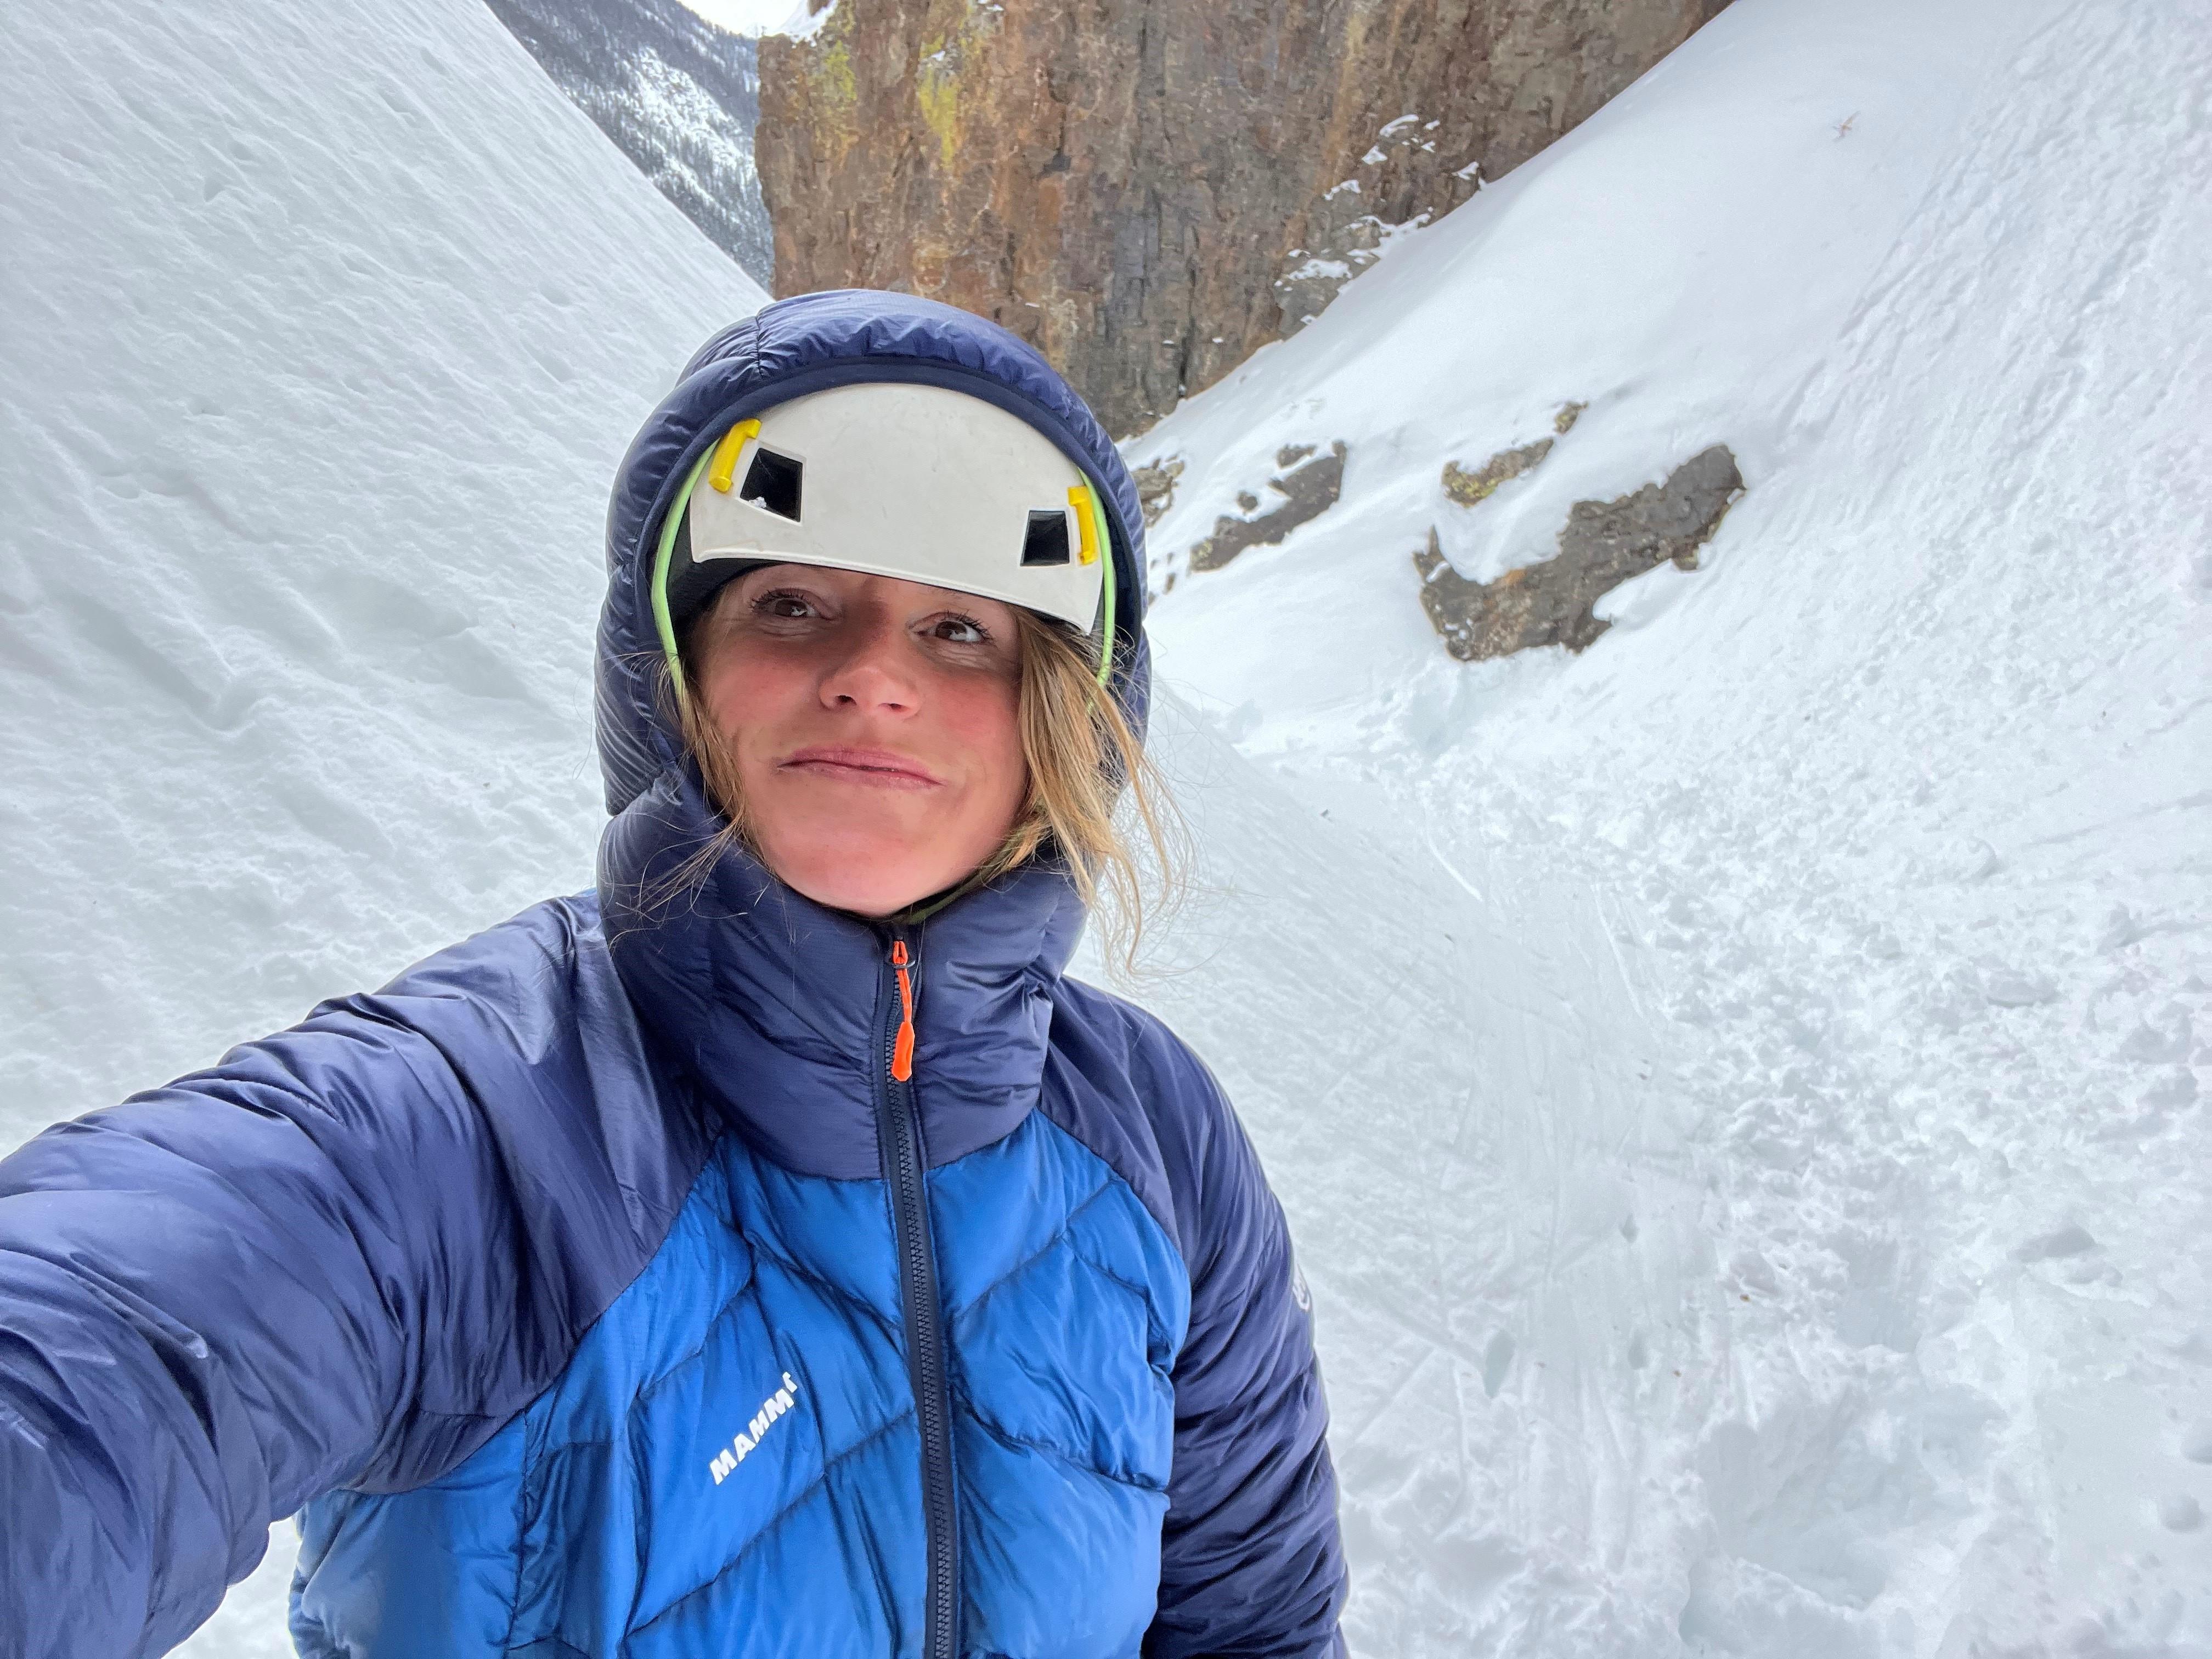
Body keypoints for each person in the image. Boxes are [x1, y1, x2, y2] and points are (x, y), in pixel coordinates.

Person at [0, 291, 1346, 1658]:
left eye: (959, 631)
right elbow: (110, 1344)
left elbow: (1258, 1623)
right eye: (794, 602)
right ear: (677, 675)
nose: (875, 675)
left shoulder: (1155, 1134)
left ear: (1058, 713)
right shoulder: (478, 1125)